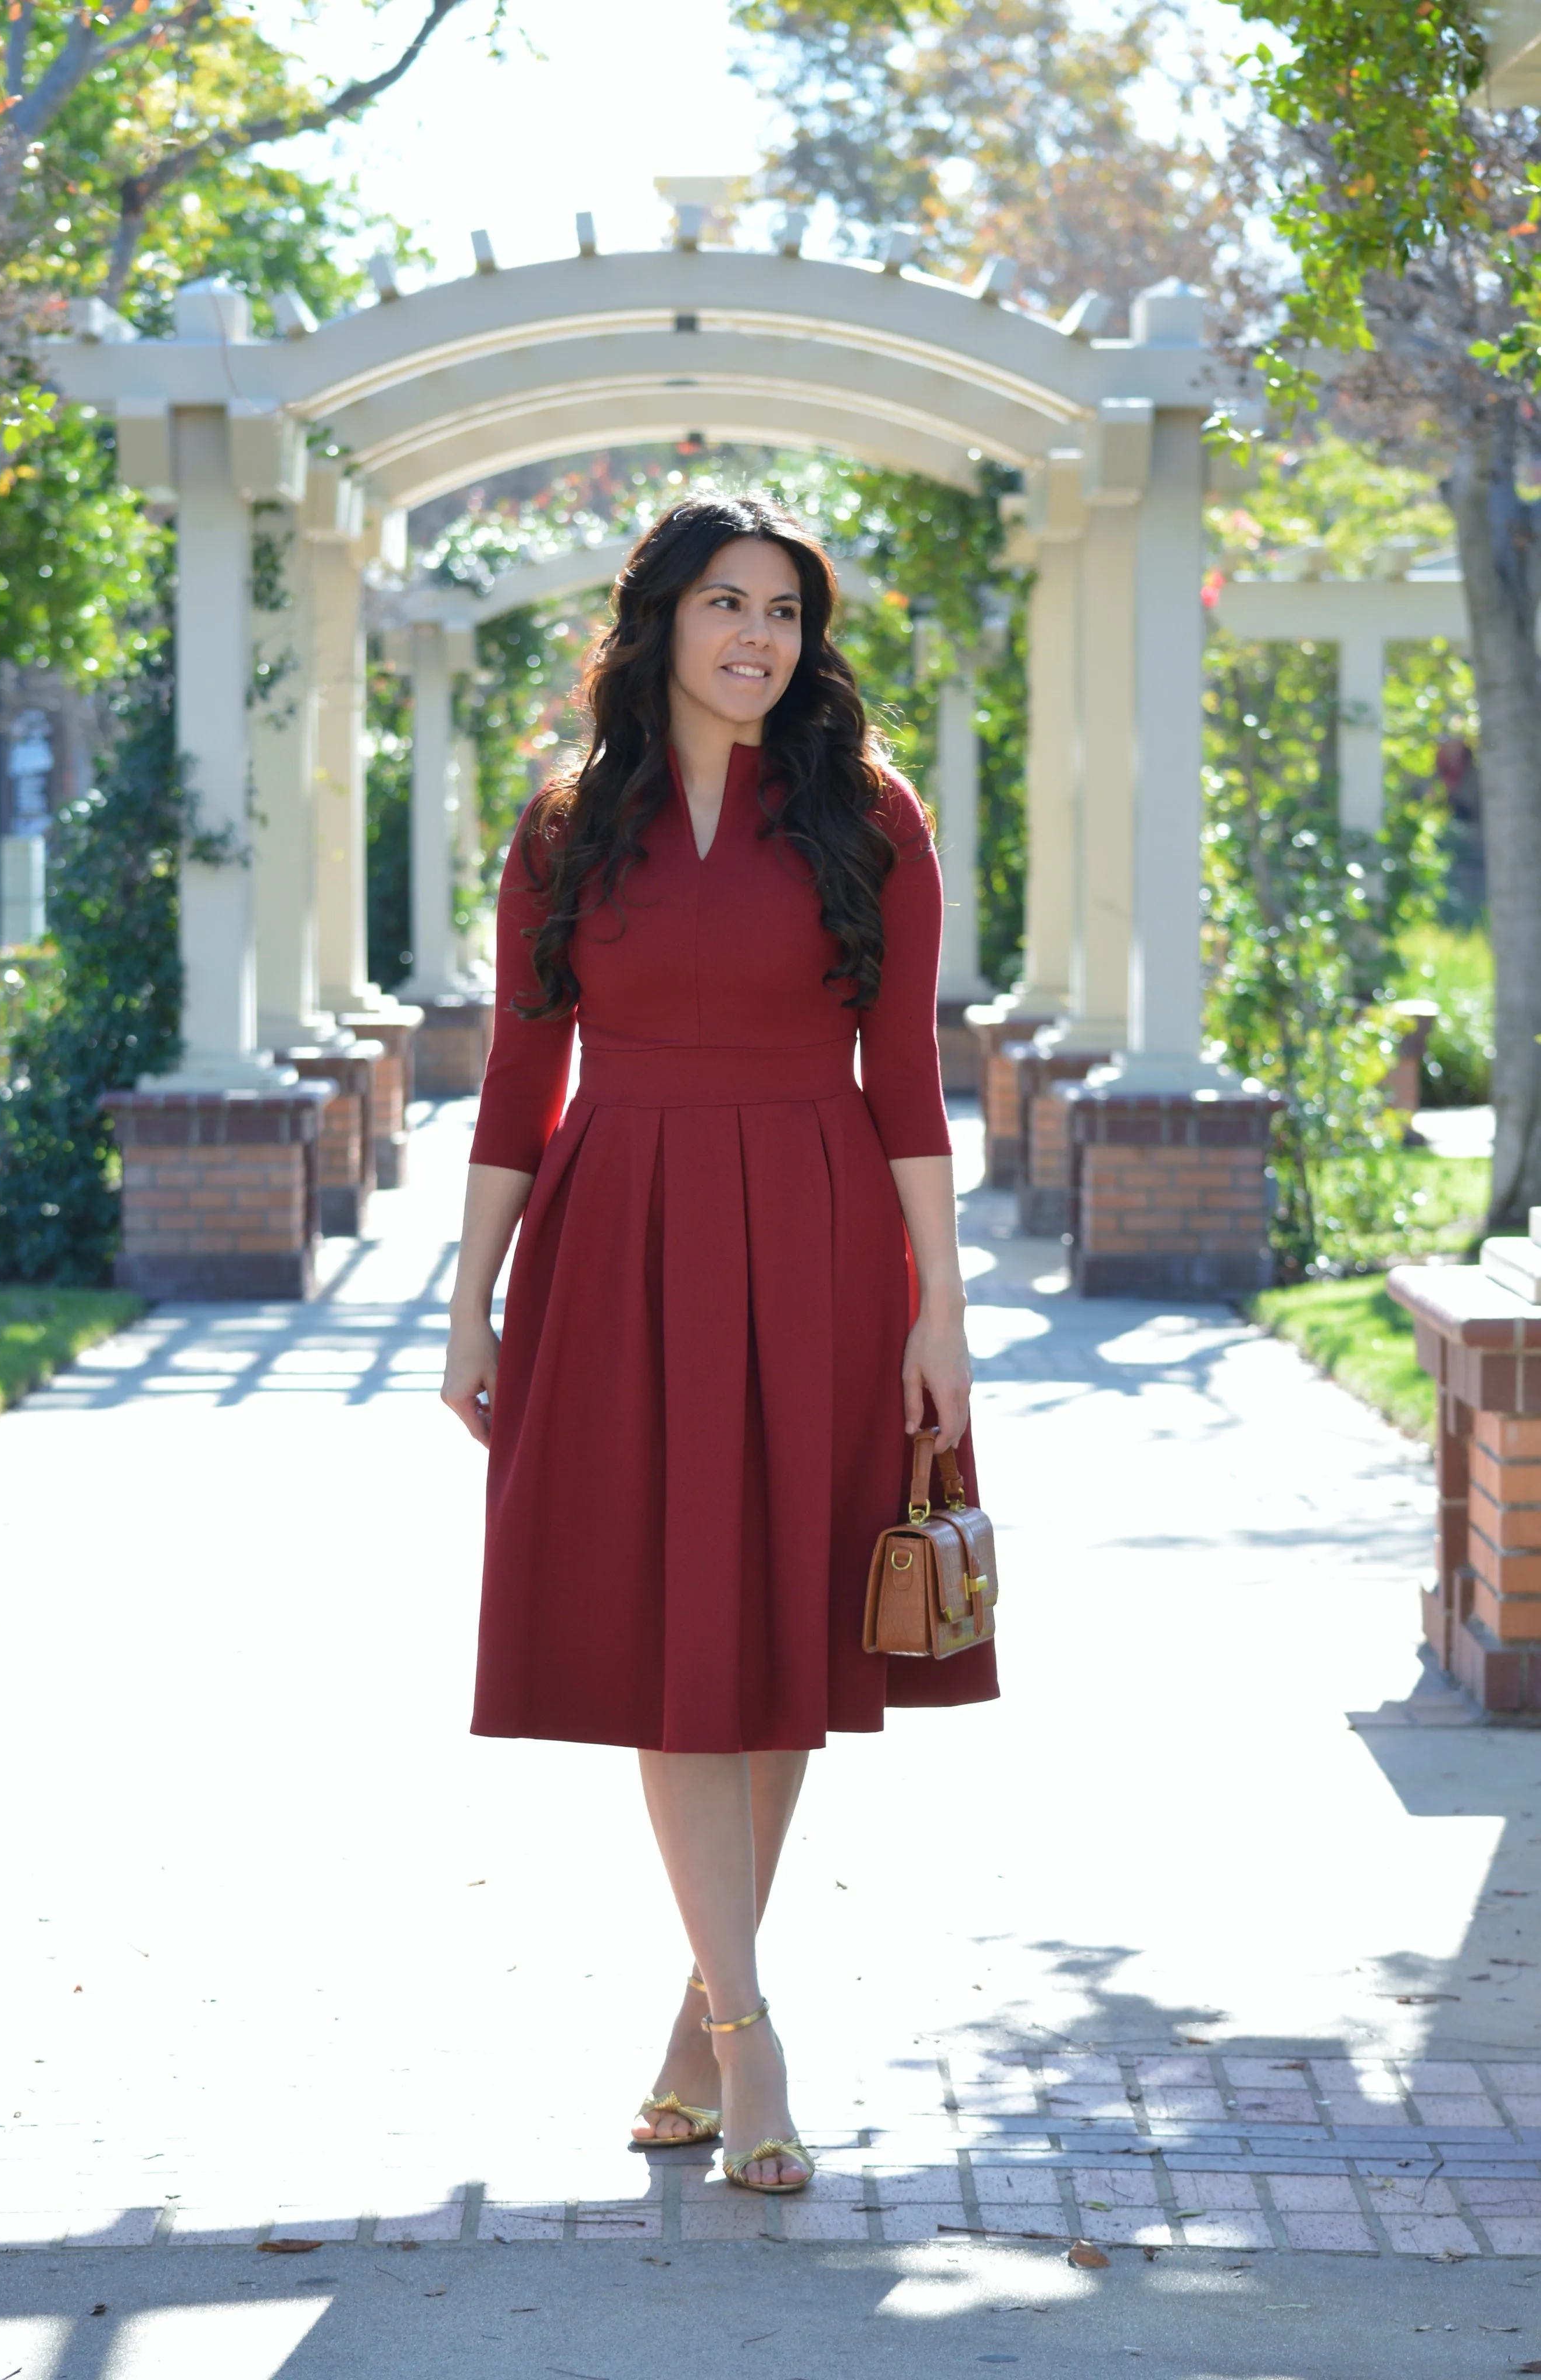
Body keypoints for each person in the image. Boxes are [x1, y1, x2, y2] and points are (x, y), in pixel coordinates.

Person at [442, 495, 996, 2195]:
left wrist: (943, 1316)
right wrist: (469, 1295)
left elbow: (904, 1077)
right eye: (725, 604)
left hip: (821, 1235)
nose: (758, 637)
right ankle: (750, 2044)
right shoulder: (566, 827)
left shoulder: (868, 817)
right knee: (677, 1631)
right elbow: (521, 1074)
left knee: (775, 1639)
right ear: (660, 622)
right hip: (616, 1238)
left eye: (785, 613)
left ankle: (707, 2029)